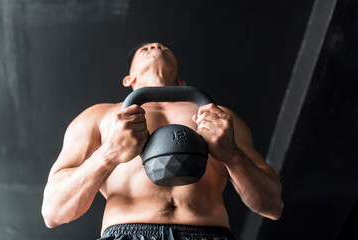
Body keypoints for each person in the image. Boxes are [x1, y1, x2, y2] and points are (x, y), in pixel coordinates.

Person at [41, 42, 284, 240]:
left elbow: (272, 206)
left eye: (164, 47)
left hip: (210, 234)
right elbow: (53, 212)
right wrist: (109, 153)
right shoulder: (98, 116)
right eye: (144, 48)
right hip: (125, 234)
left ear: (181, 82)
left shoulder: (220, 119)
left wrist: (232, 155)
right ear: (129, 80)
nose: (156, 45)